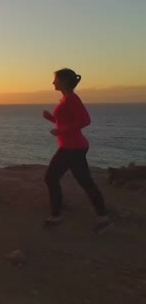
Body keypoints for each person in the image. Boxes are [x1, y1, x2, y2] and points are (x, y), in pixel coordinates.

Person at [42, 68, 112, 233]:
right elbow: (68, 121)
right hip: (72, 147)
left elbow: (85, 120)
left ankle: (57, 214)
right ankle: (102, 216)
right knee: (83, 181)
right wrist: (51, 119)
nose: (53, 82)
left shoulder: (72, 99)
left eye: (56, 79)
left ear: (64, 81)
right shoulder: (66, 99)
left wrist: (61, 131)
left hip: (72, 148)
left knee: (52, 177)